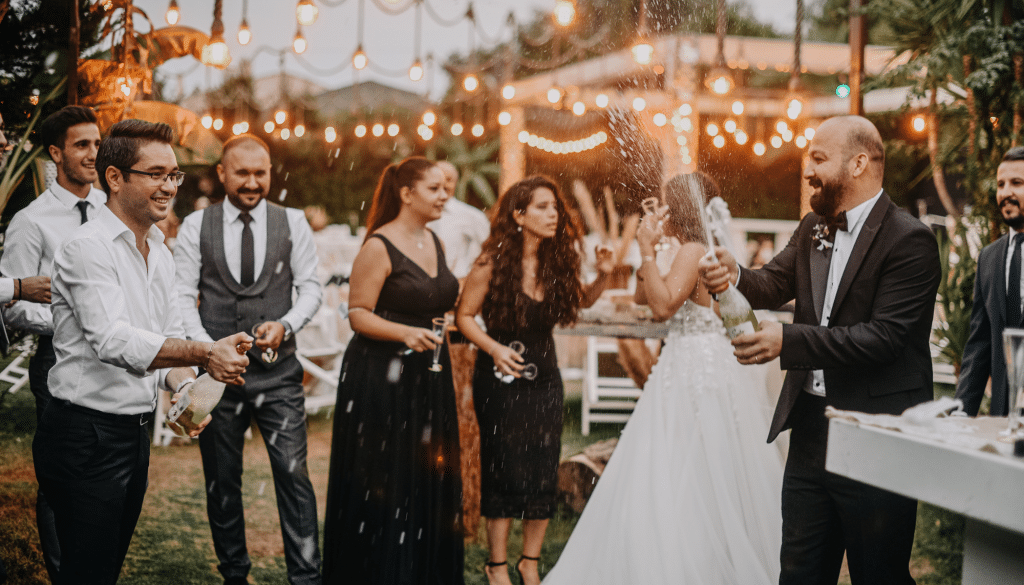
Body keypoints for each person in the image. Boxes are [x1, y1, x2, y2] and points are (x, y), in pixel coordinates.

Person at [699, 115, 941, 585]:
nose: (807, 170)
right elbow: (771, 283)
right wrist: (735, 274)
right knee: (800, 573)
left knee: (879, 574)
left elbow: (883, 338)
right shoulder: (815, 225)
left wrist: (787, 340)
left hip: (877, 434)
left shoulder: (910, 239)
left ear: (859, 163)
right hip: (810, 431)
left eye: (818, 159)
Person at [32, 119, 250, 585]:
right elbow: (113, 340)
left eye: (174, 175)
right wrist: (206, 351)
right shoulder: (86, 248)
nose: (169, 187)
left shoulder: (161, 252)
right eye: (156, 174)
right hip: (82, 435)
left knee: (105, 571)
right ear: (115, 178)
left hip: (132, 437)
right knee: (85, 574)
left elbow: (166, 331)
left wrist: (187, 387)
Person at [543, 173, 783, 584]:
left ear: (680, 208)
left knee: (685, 463)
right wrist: (650, 252)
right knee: (685, 462)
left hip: (695, 368)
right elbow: (643, 296)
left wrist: (645, 249)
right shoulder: (687, 250)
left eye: (665, 202)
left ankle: (690, 561)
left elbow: (662, 307)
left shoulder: (693, 250)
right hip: (686, 364)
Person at [173, 134, 323, 585]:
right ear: (222, 173)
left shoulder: (293, 222)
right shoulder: (195, 227)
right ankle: (234, 574)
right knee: (222, 481)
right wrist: (207, 350)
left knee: (294, 474)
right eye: (243, 173)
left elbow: (312, 287)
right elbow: (181, 297)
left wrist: (287, 324)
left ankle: (306, 577)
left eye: (262, 173)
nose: (253, 182)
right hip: (217, 379)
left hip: (278, 375)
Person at [456, 175, 614, 585]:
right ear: (519, 215)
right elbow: (464, 316)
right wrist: (493, 348)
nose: (553, 214)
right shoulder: (491, 263)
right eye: (542, 207)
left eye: (555, 207)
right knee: (503, 467)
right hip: (499, 379)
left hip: (545, 378)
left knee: (541, 468)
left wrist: (604, 275)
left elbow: (576, 305)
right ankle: (496, 565)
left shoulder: (557, 262)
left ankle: (529, 561)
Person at [322, 157, 464, 584]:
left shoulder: (435, 241)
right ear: (407, 193)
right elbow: (358, 314)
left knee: (426, 473)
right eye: (435, 188)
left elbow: (435, 303)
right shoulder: (378, 247)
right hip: (380, 378)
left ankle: (422, 571)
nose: (445, 195)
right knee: (386, 477)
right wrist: (405, 334)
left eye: (445, 188)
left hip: (428, 375)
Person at [0, 104, 104, 581]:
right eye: (81, 145)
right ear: (55, 153)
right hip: (57, 360)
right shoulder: (31, 221)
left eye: (97, 144)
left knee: (106, 475)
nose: (93, 153)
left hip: (115, 363)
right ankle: (64, 574)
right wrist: (75, 323)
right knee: (61, 476)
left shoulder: (110, 210)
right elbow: (16, 303)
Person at [956, 146, 1024, 416]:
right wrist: (960, 413)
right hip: (1002, 418)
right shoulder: (988, 257)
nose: (1006, 192)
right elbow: (980, 344)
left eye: (1017, 183)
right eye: (1000, 184)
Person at [427, 160, 491, 279]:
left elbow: (488, 250)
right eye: (438, 179)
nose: (444, 184)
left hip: (457, 284)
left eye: (449, 179)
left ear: (456, 182)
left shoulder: (471, 215)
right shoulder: (420, 212)